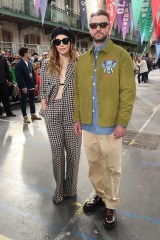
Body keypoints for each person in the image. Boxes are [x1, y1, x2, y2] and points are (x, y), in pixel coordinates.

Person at [74, 9, 136, 230]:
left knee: (112, 168)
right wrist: (77, 118)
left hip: (110, 127)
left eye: (102, 24)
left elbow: (128, 91)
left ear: (109, 27)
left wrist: (122, 122)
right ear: (89, 30)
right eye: (93, 25)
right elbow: (78, 92)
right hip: (89, 126)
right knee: (95, 166)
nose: (97, 28)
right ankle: (100, 195)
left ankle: (111, 204)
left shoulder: (121, 56)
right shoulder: (82, 61)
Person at [39, 27, 81, 204]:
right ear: (53, 44)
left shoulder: (79, 62)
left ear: (70, 42)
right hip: (53, 110)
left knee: (73, 152)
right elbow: (42, 91)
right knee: (57, 152)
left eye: (65, 40)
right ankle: (59, 189)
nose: (61, 44)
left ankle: (70, 188)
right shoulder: (46, 63)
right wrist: (45, 108)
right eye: (57, 41)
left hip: (73, 113)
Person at [15, 47, 41, 123]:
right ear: (25, 53)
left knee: (32, 101)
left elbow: (33, 74)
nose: (30, 53)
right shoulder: (19, 64)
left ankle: (33, 114)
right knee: (23, 102)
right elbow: (19, 77)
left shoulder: (29, 63)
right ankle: (25, 116)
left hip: (31, 86)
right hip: (25, 87)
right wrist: (23, 87)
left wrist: (35, 83)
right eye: (28, 52)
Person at [0, 53, 16, 118]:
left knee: (5, 98)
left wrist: (9, 80)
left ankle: (8, 112)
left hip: (3, 82)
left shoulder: (2, 58)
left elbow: (7, 70)